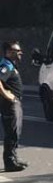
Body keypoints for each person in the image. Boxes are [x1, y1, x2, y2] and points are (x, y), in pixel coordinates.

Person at [0, 41, 26, 171]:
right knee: (11, 132)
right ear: (9, 52)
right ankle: (10, 162)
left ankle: (14, 158)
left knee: (16, 131)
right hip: (10, 104)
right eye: (17, 51)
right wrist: (7, 95)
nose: (20, 53)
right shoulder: (6, 65)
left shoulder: (11, 65)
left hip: (15, 103)